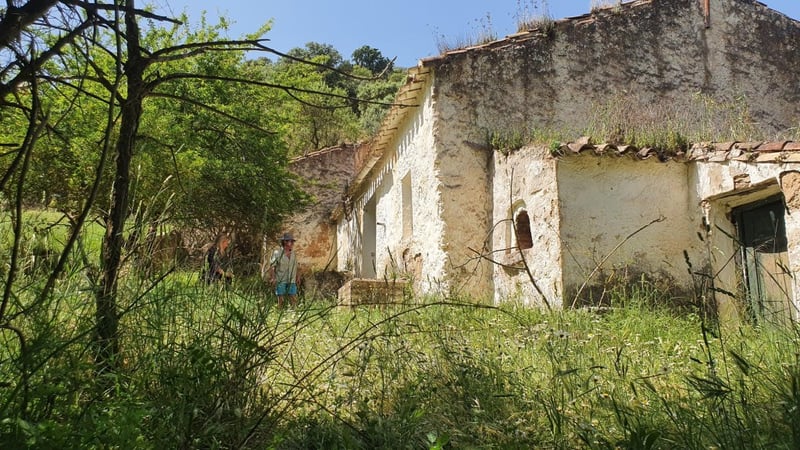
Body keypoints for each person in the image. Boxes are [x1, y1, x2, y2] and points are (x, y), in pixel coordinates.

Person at [269, 232, 299, 307]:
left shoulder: (293, 254)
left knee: (293, 297)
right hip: (281, 279)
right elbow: (272, 266)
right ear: (285, 242)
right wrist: (273, 278)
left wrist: (298, 277)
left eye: (292, 242)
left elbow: (296, 266)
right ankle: (279, 311)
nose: (292, 243)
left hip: (291, 279)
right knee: (281, 299)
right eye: (290, 241)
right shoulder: (277, 253)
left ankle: (294, 313)